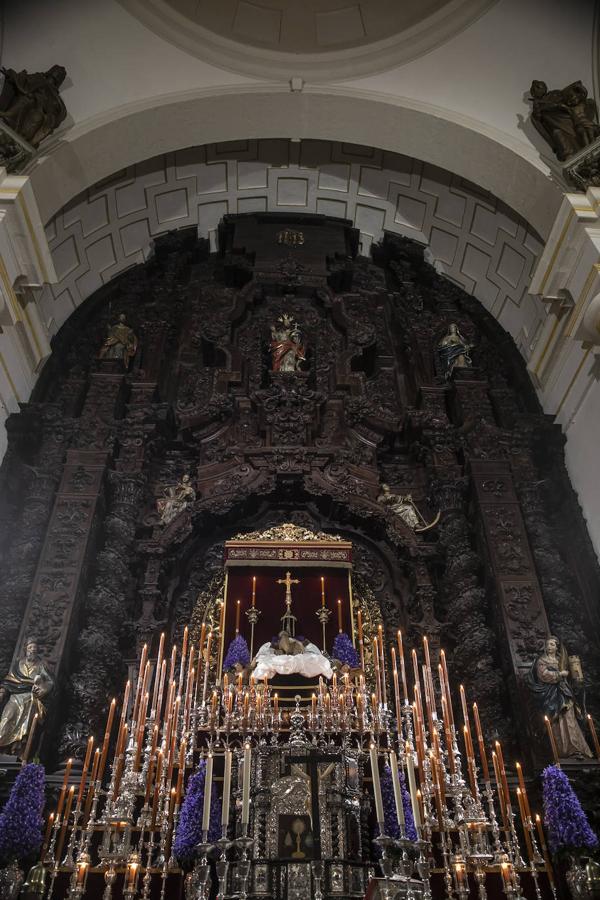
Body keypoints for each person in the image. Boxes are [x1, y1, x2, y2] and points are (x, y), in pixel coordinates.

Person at [528, 635, 592, 759]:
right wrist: (559, 674)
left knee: (570, 718)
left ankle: (576, 748)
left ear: (557, 647)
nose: (549, 647)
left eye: (552, 644)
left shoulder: (561, 660)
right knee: (557, 720)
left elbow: (572, 673)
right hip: (551, 695)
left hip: (565, 692)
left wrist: (575, 677)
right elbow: (543, 675)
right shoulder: (542, 660)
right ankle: (562, 750)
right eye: (547, 644)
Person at [0, 638, 53, 756]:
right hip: (15, 697)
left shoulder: (41, 665)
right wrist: (2, 691)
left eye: (34, 648)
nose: (32, 650)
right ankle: (2, 747)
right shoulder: (19, 663)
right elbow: (9, 679)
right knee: (7, 718)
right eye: (30, 648)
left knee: (27, 721)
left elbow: (49, 682)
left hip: (31, 697)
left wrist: (41, 689)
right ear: (25, 650)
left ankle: (17, 749)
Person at [0, 65, 67, 147]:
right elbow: (21, 80)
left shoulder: (55, 97)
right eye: (52, 76)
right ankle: (8, 115)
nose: (51, 80)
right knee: (28, 99)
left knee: (37, 116)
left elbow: (58, 112)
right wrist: (12, 74)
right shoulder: (38, 78)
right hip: (27, 98)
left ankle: (24, 139)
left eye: (54, 78)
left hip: (37, 111)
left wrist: (49, 114)